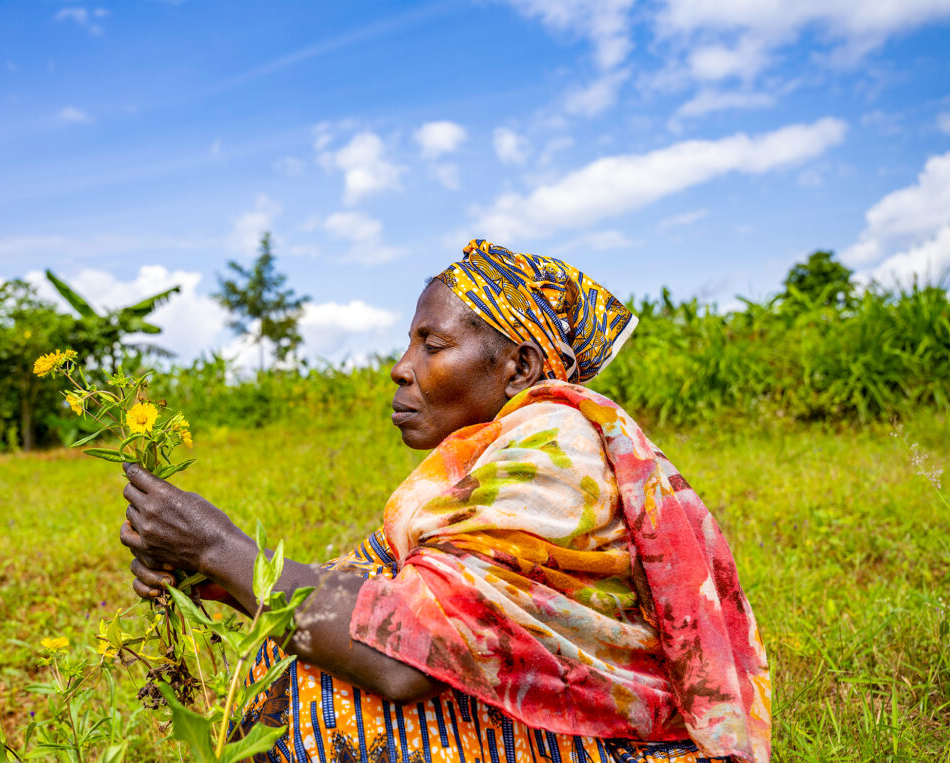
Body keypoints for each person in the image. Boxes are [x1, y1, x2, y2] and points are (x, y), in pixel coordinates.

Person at [120, 240, 771, 763]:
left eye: (431, 344)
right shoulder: (484, 459)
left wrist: (218, 545)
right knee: (300, 654)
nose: (402, 367)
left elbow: (404, 654)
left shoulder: (552, 442)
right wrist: (217, 578)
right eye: (410, 343)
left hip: (622, 743)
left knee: (327, 688)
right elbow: (363, 591)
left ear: (517, 367)